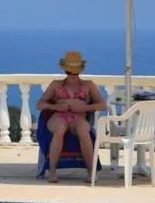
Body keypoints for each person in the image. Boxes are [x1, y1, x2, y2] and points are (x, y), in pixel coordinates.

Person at [36, 51, 106, 183]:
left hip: (78, 117)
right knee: (59, 129)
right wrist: (57, 107)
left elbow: (102, 104)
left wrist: (84, 108)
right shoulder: (56, 85)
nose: (72, 75)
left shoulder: (88, 85)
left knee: (84, 130)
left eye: (74, 72)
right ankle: (52, 171)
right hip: (58, 116)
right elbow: (40, 104)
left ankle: (91, 171)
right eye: (70, 72)